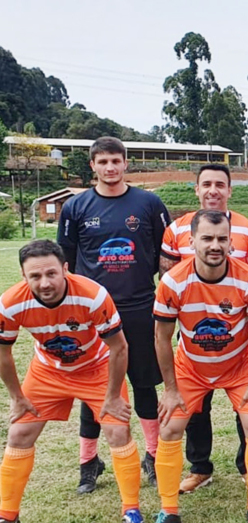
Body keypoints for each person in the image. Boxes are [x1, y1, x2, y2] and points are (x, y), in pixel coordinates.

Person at [0, 240, 146, 523]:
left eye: (52, 273)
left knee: (118, 431)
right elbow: (3, 353)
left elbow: (119, 348)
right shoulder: (11, 303)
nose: (45, 283)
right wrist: (17, 398)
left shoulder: (92, 296)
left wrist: (111, 396)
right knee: (19, 434)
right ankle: (7, 516)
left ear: (65, 269)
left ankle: (131, 511)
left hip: (96, 368)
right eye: (35, 276)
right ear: (23, 277)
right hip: (48, 371)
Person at [149, 210, 248, 523]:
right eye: (207, 238)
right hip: (191, 366)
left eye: (221, 239)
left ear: (231, 241)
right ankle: (168, 510)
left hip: (238, 364)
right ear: (192, 242)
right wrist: (171, 390)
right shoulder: (173, 280)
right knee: (171, 426)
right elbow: (162, 338)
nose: (214, 245)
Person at [57, 136, 169, 491]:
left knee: (144, 383)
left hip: (139, 306)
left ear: (125, 163)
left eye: (115, 161)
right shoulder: (75, 207)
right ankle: (89, 461)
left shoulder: (149, 203)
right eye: (102, 161)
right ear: (92, 165)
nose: (110, 168)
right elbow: (66, 263)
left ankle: (152, 455)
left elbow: (166, 255)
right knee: (98, 388)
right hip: (93, 313)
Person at [160, 164, 248, 494]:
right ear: (196, 189)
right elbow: (167, 270)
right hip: (193, 332)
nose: (213, 190)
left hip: (234, 330)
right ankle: (199, 467)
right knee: (195, 408)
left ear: (229, 190)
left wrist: (227, 302)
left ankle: (245, 466)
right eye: (206, 184)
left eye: (220, 184)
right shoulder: (176, 228)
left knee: (247, 410)